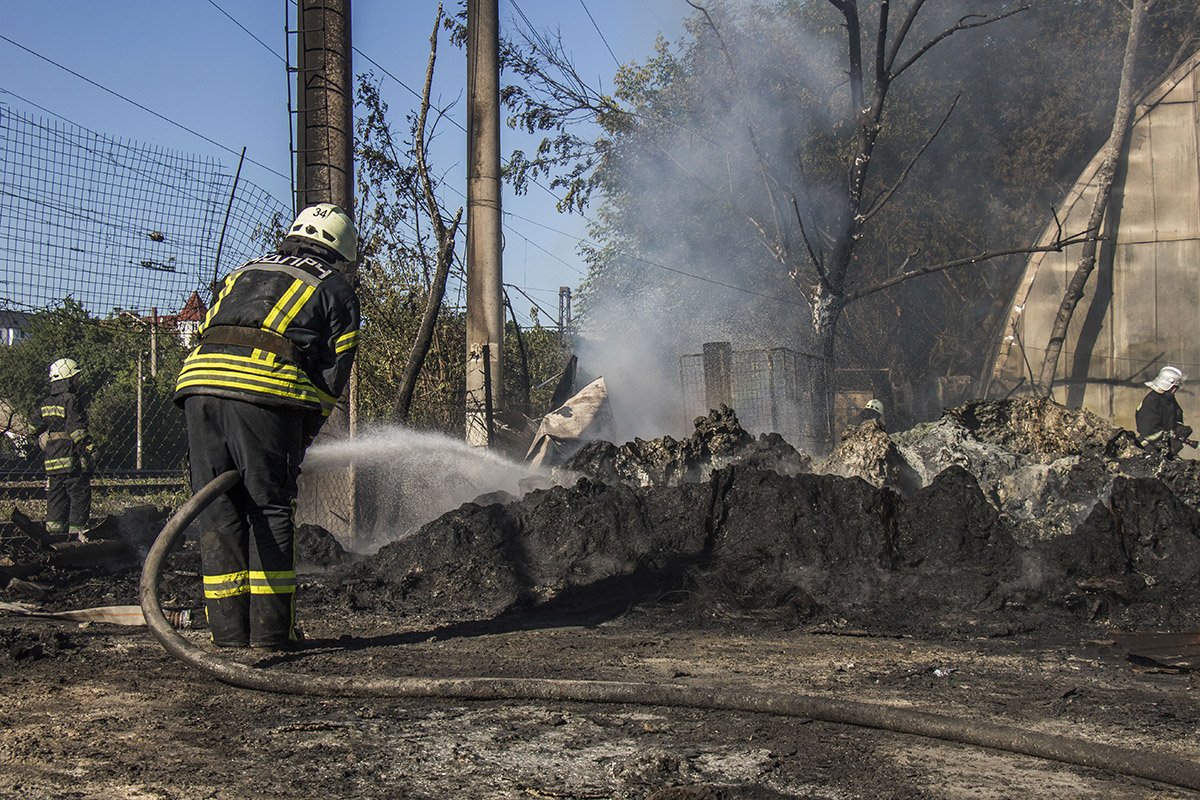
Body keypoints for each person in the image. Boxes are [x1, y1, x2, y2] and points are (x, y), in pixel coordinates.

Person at [175, 203, 361, 650]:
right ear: (340, 247)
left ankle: (228, 635)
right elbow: (333, 373)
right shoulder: (334, 287)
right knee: (269, 506)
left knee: (219, 508)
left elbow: (210, 326)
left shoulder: (244, 271)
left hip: (198, 387)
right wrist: (304, 429)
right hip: (262, 392)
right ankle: (272, 635)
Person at [30, 358, 94, 541]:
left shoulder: (46, 403)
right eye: (76, 378)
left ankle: (54, 538)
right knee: (78, 497)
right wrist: (91, 448)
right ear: (68, 380)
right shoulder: (71, 399)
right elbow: (77, 430)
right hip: (71, 462)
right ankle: (77, 538)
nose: (78, 381)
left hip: (52, 462)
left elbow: (32, 426)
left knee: (56, 500)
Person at [1135, 365, 1195, 459]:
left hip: (1165, 445)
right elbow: (1149, 431)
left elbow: (1177, 415)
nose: (1175, 390)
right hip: (1149, 447)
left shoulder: (1168, 399)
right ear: (1168, 385)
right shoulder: (1151, 401)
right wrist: (1168, 438)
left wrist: (1179, 430)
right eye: (1175, 387)